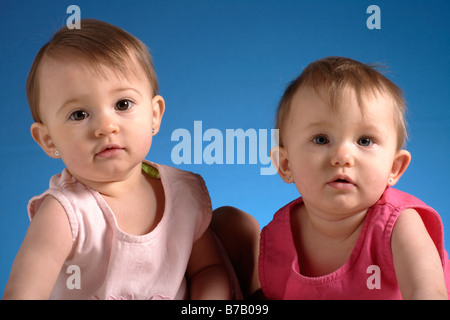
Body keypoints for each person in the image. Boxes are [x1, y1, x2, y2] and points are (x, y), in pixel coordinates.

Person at [3, 19, 236, 300]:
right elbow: (23, 294)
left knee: (236, 228)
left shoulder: (183, 193)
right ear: (48, 139)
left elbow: (208, 268)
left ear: (154, 115)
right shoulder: (65, 214)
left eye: (122, 104)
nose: (106, 126)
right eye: (79, 114)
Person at [260, 56, 450, 299]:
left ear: (394, 167)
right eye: (321, 139)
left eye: (364, 141)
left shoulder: (400, 226)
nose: (342, 157)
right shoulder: (278, 235)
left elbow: (428, 293)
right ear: (286, 165)